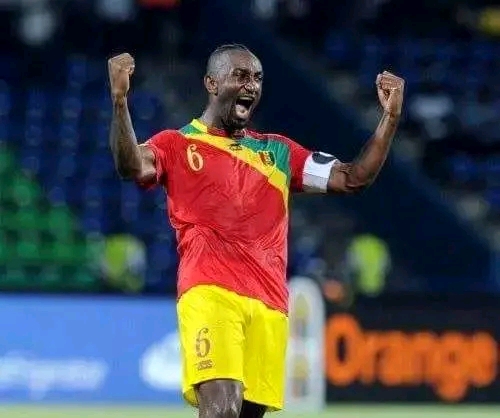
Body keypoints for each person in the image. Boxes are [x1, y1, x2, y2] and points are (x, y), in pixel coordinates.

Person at [107, 44, 404, 418]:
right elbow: (131, 166)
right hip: (210, 292)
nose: (251, 85)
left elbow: (352, 178)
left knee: (246, 414)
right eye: (240, 76)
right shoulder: (176, 144)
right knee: (222, 409)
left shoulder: (279, 153)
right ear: (212, 83)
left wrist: (390, 118)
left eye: (258, 78)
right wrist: (120, 102)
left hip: (269, 304)